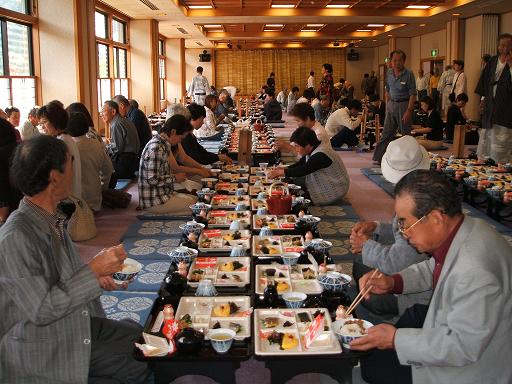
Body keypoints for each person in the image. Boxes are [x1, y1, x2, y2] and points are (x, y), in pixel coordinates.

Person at [0, 135, 150, 383]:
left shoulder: (50, 217)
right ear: (54, 176)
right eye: (70, 164)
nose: (74, 171)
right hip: (42, 345)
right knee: (137, 361)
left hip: (71, 322)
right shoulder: (16, 238)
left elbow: (60, 277)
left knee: (140, 334)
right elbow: (42, 310)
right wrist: (92, 270)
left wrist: (97, 278)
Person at [351, 169, 512, 384]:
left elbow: (461, 346)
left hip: (474, 366)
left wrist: (395, 339)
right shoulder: (468, 227)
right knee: (409, 319)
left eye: (406, 223)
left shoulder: (475, 271)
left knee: (375, 367)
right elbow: (434, 267)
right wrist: (393, 282)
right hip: (461, 323)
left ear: (436, 217)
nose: (404, 232)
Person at [350, 135, 431, 324]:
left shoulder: (419, 204)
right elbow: (399, 232)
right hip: (416, 276)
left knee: (365, 280)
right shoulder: (421, 191)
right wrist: (376, 227)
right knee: (361, 267)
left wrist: (366, 245)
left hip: (421, 298)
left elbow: (400, 261)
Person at [267, 126, 349, 205]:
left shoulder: (320, 155)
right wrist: (285, 168)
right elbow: (301, 163)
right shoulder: (314, 147)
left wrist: (281, 172)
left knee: (295, 199)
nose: (296, 149)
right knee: (289, 185)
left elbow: (303, 170)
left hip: (333, 189)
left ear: (308, 145)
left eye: (297, 146)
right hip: (326, 181)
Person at [138, 115, 197, 215]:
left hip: (163, 194)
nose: (180, 141)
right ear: (173, 132)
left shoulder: (162, 144)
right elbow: (151, 179)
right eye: (181, 137)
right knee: (195, 207)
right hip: (154, 201)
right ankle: (155, 214)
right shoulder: (156, 148)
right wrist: (175, 178)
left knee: (196, 199)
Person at [372, 50, 416, 164]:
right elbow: (387, 90)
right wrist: (387, 106)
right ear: (391, 61)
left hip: (404, 105)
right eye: (394, 61)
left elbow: (413, 94)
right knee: (386, 133)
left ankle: (410, 159)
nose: (397, 63)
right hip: (392, 105)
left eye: (399, 61)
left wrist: (409, 111)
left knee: (406, 134)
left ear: (404, 61)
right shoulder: (389, 73)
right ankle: (378, 158)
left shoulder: (409, 74)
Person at [475, 33, 512, 163]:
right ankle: (483, 161)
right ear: (498, 46)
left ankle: (500, 163)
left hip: (505, 106)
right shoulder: (492, 61)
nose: (505, 49)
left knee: (501, 137)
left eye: (508, 46)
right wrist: (483, 100)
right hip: (490, 104)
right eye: (502, 45)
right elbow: (485, 82)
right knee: (486, 135)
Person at [67, 112, 114, 211]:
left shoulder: (69, 148)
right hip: (95, 199)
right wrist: (103, 188)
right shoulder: (96, 144)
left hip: (76, 201)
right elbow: (108, 169)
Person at [38, 102, 82, 198]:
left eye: (45, 122)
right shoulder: (66, 138)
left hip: (67, 197)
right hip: (72, 194)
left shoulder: (61, 142)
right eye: (40, 123)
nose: (42, 127)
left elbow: (58, 176)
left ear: (55, 121)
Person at [101, 100, 140, 179]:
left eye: (103, 111)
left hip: (125, 162)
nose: (101, 114)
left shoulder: (116, 124)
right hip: (133, 160)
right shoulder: (124, 120)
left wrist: (103, 148)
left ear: (113, 111)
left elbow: (117, 149)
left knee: (102, 168)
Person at [0, 119, 21, 223]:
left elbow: (3, 196)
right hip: (26, 208)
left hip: (9, 215)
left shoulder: (1, 155)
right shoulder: (21, 148)